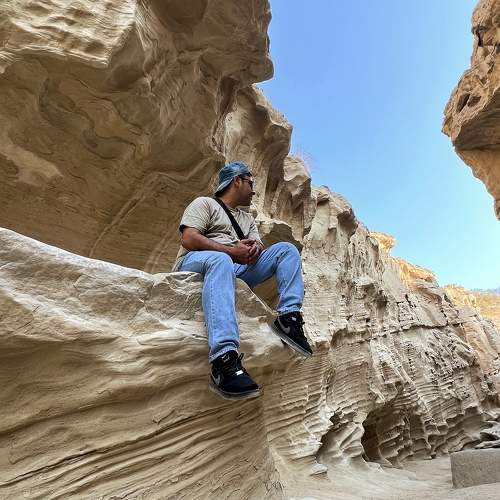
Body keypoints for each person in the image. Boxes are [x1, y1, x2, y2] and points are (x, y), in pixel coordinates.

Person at [173, 161, 313, 400]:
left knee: (287, 250)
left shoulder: (246, 219)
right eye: (251, 183)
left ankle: (289, 318)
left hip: (234, 265)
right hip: (195, 262)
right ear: (236, 181)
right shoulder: (205, 204)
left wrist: (254, 250)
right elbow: (189, 238)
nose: (254, 190)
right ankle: (223, 361)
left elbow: (257, 245)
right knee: (221, 260)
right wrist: (231, 251)